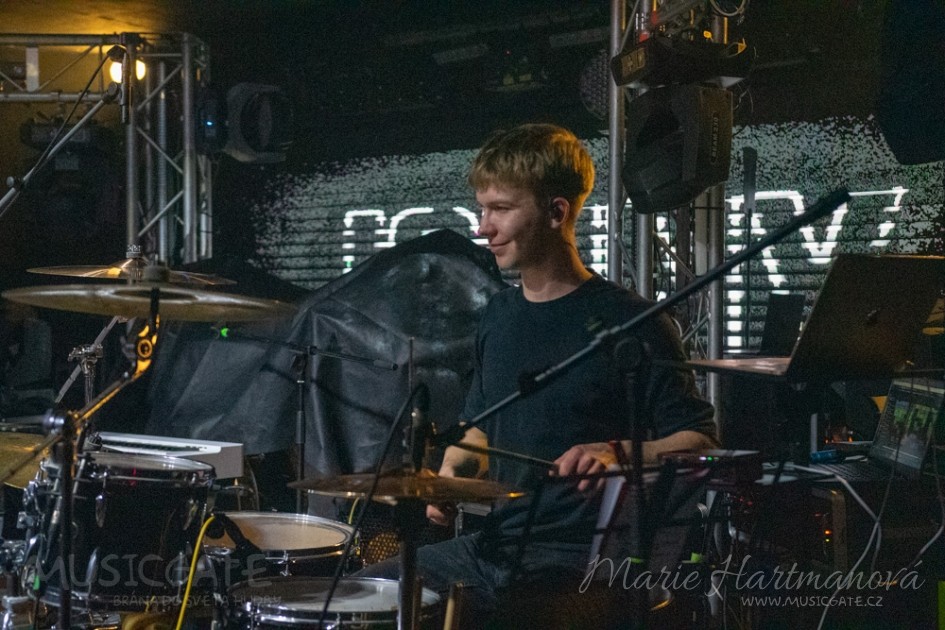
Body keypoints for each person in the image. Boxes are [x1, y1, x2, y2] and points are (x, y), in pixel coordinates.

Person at [358, 123, 717, 627]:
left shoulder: (631, 322)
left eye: (501, 209)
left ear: (556, 212)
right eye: (482, 209)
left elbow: (702, 441)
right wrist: (448, 479)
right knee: (356, 599)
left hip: (582, 564)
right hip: (495, 547)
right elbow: (480, 429)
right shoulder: (499, 315)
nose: (483, 228)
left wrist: (617, 452)